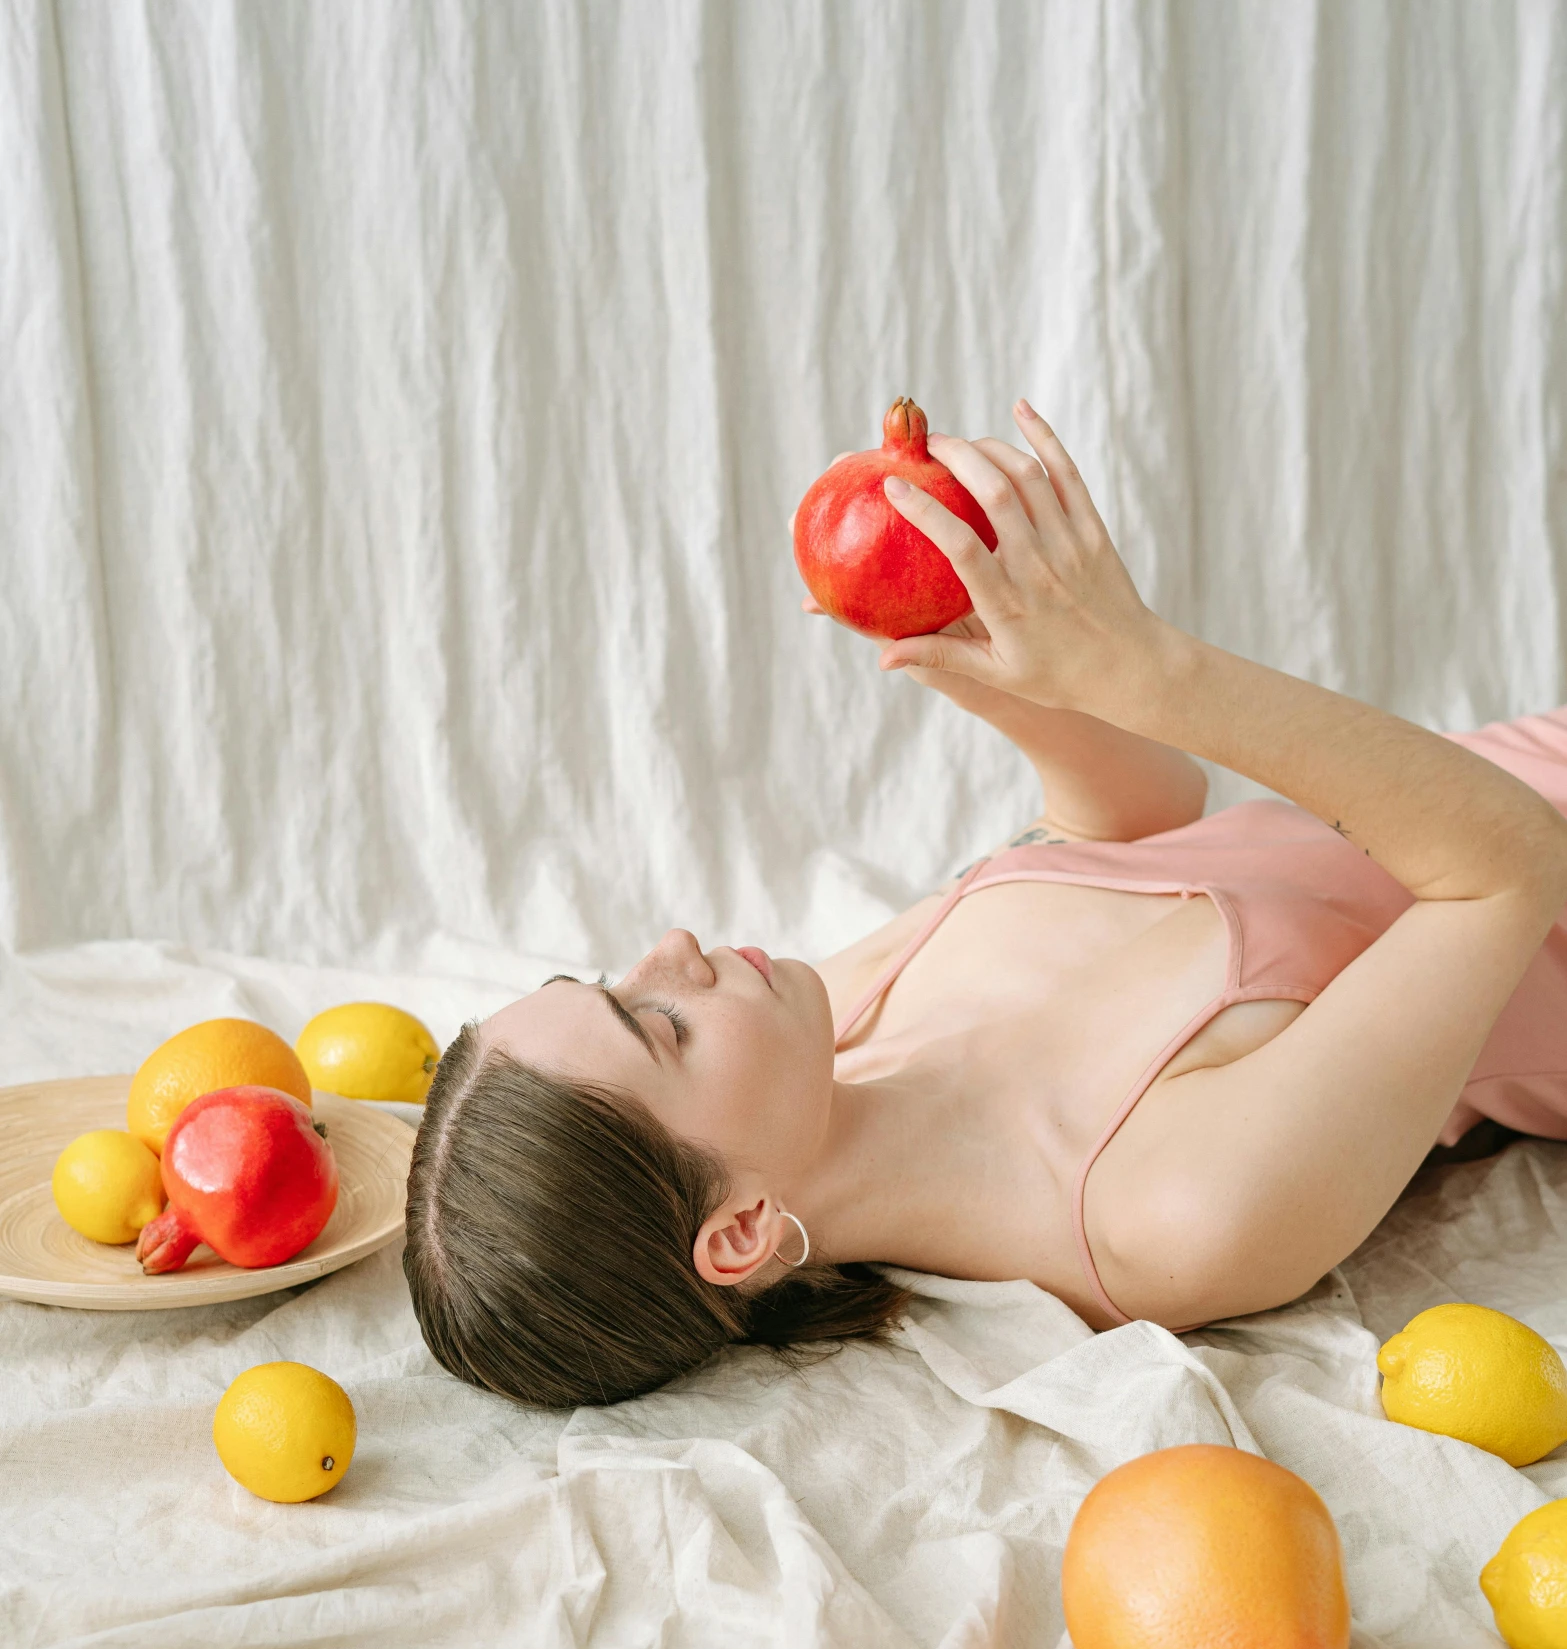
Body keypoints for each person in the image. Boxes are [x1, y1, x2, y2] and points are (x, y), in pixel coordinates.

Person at [404, 404, 1567, 1407]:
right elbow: (1510, 868)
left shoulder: (843, 1021)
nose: (669, 951)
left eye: (611, 980)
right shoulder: (1163, 1215)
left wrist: (978, 644)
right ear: (740, 1232)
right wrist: (1154, 671)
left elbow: (1133, 821)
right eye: (657, 1025)